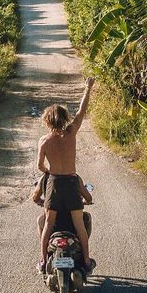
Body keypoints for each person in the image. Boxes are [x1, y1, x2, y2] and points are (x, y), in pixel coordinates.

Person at [36, 76, 95, 273]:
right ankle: (86, 262)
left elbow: (40, 166)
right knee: (79, 225)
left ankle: (44, 261)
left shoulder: (44, 141)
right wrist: (88, 87)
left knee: (48, 224)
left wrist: (50, 172)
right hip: (71, 182)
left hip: (53, 184)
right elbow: (82, 111)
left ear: (47, 121)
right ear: (64, 118)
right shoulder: (71, 133)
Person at [32, 172, 93, 239]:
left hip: (53, 227)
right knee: (87, 217)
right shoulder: (75, 177)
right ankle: (84, 246)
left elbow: (35, 198)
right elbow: (89, 199)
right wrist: (84, 202)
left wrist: (44, 202)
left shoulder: (45, 178)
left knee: (40, 220)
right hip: (73, 225)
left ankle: (44, 247)